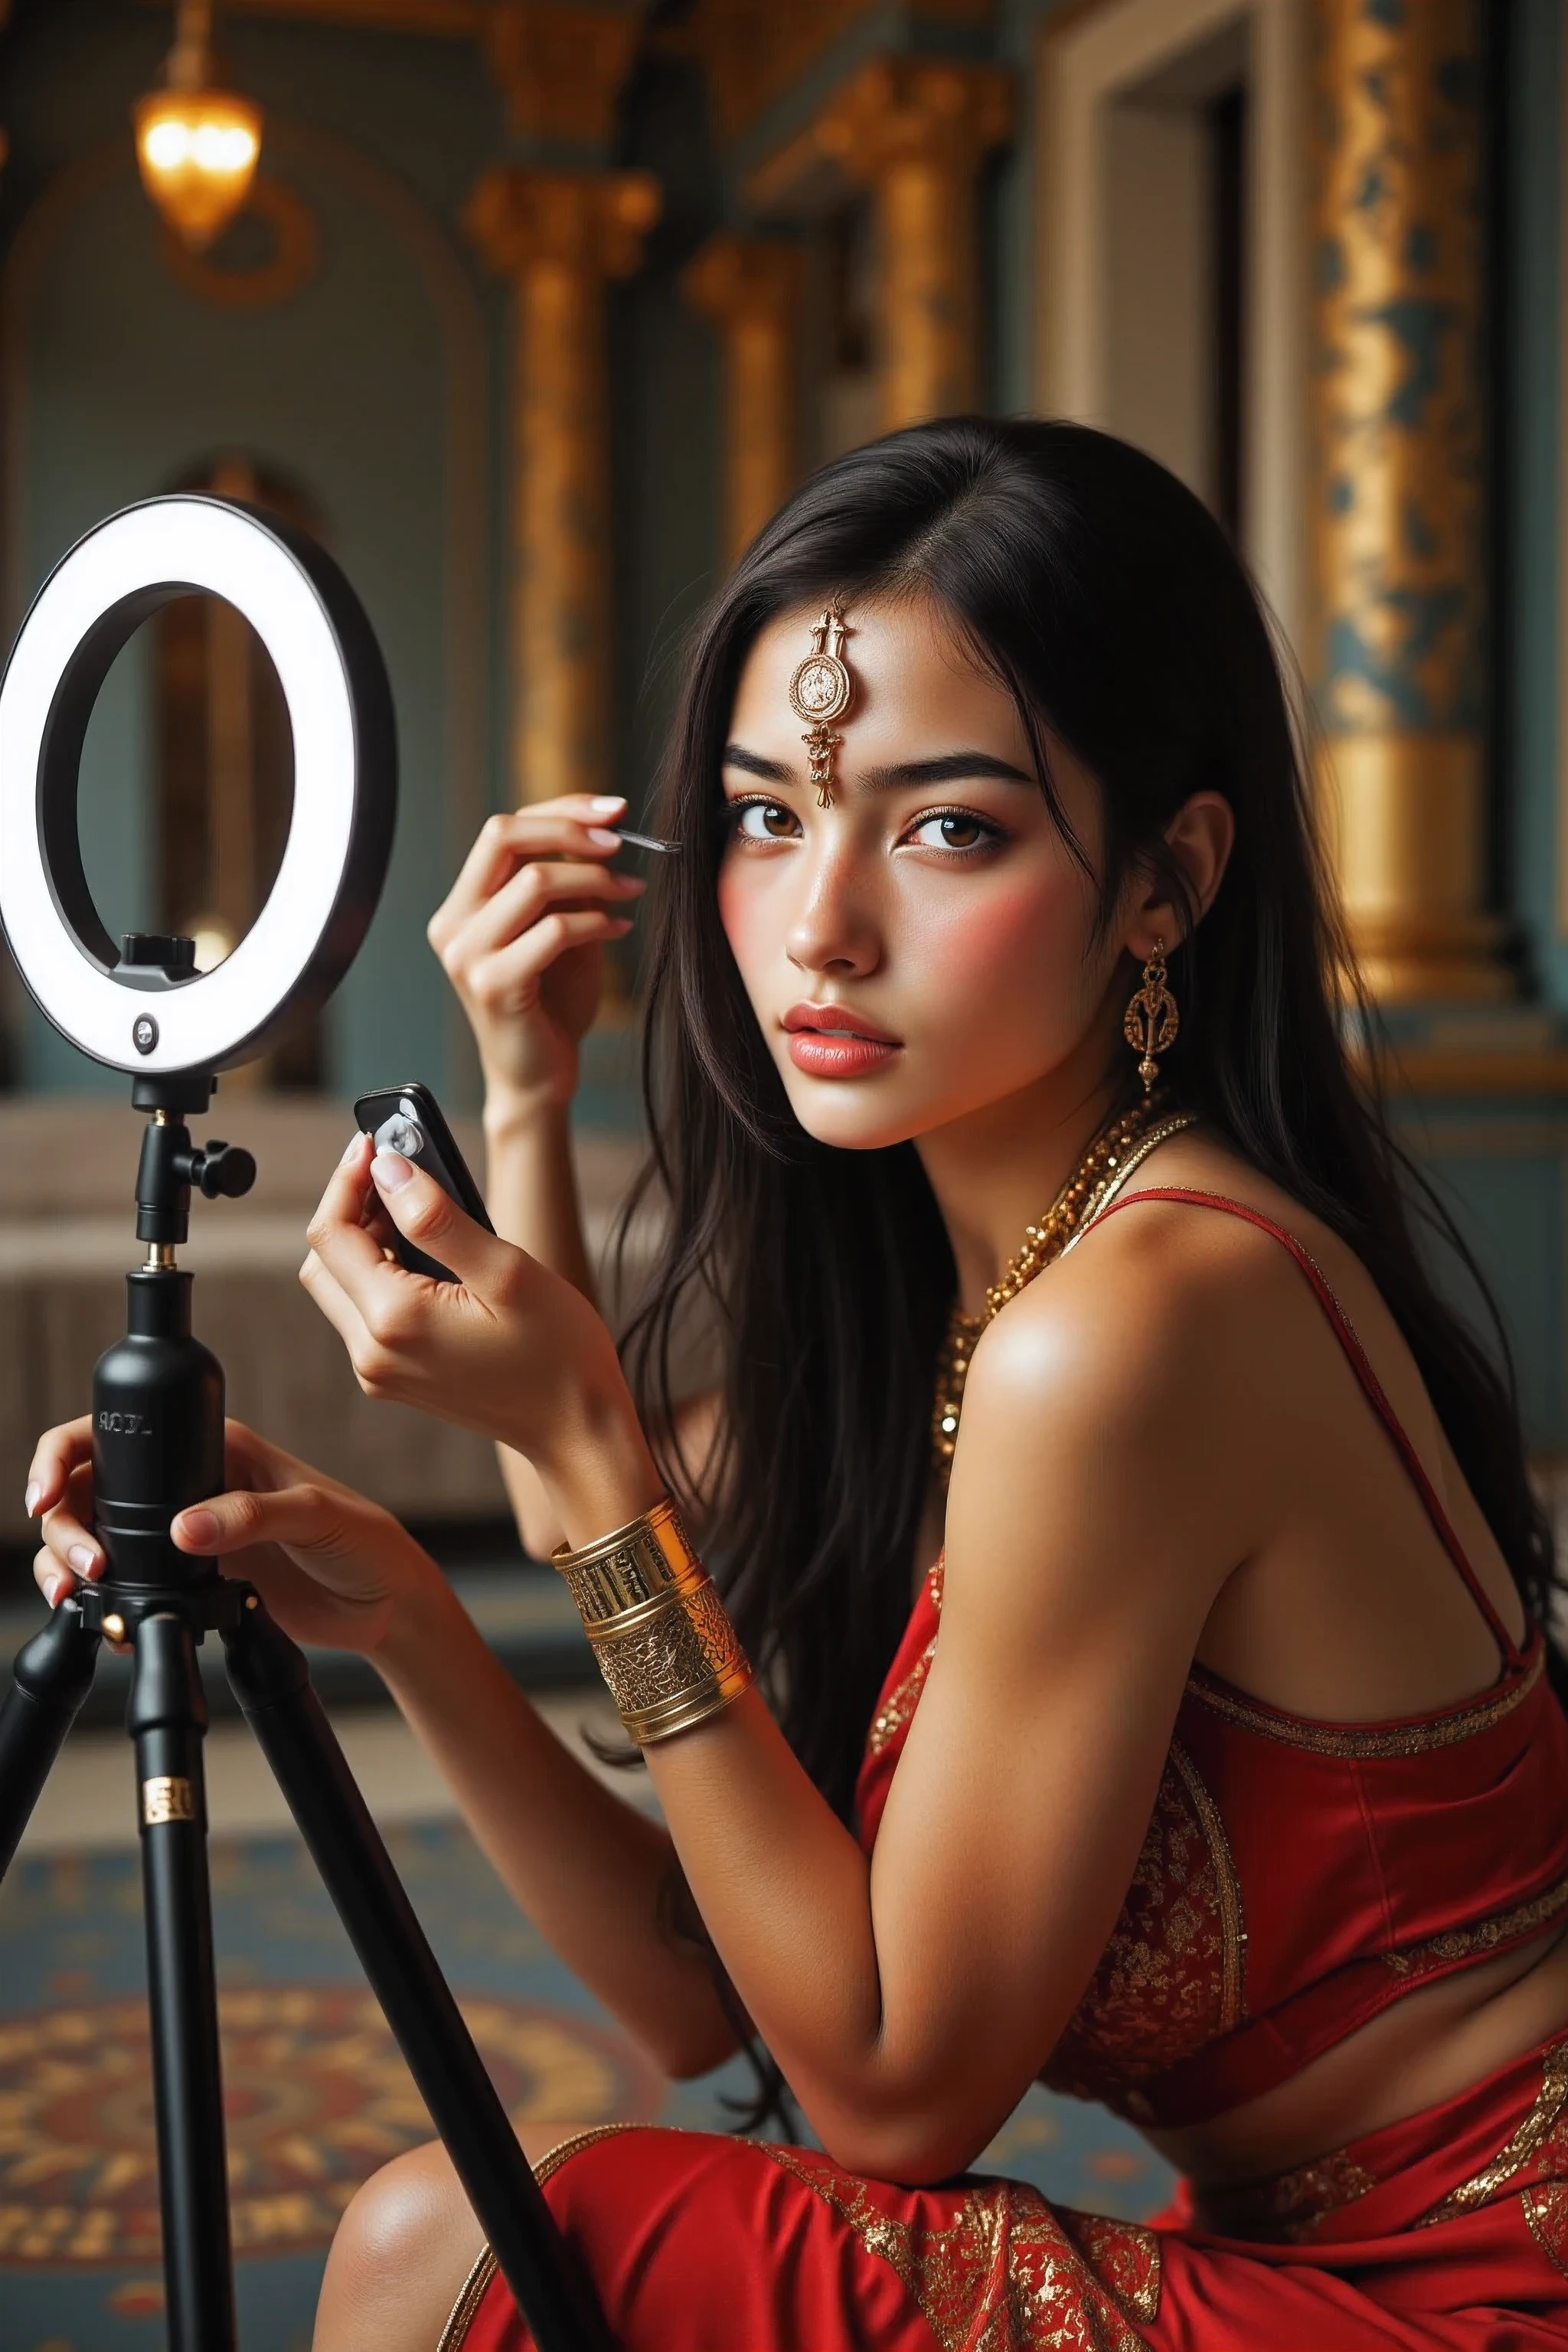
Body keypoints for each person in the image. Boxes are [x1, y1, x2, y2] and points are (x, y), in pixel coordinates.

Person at [28, 418, 1568, 2350]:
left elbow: (888, 2088)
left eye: (947, 827)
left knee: (448, 2245)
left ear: (1167, 881)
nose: (820, 927)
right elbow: (706, 1983)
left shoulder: (1135, 1323)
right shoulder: (991, 1278)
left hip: (1476, 2295)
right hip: (1306, 2248)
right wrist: (414, 1587)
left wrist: (588, 1442)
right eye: (766, 815)